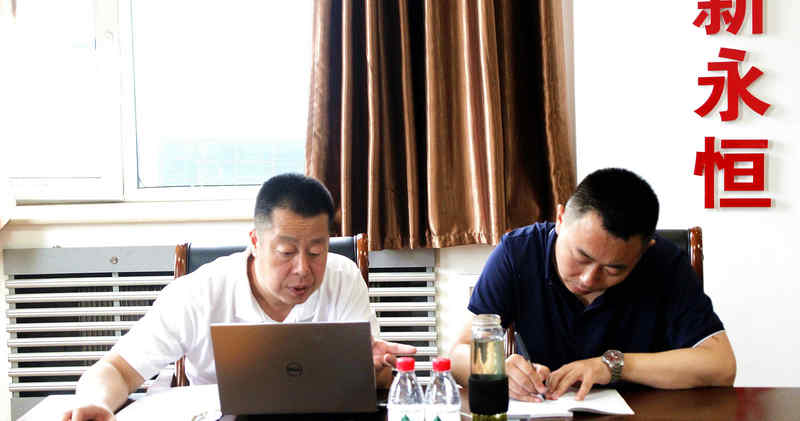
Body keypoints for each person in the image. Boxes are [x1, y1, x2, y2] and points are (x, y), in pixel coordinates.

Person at [63, 173, 415, 421]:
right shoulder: (199, 291)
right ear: (256, 241)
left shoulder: (343, 277)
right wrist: (97, 404)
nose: (303, 269)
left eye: (316, 252)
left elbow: (376, 382)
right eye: (286, 252)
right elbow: (116, 369)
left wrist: (374, 371)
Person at [450, 168, 736, 402]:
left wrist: (613, 366)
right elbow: (458, 354)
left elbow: (721, 365)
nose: (588, 279)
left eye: (613, 269)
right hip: (548, 410)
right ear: (560, 219)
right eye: (581, 257)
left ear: (644, 251)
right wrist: (496, 370)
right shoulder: (518, 253)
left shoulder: (665, 263)